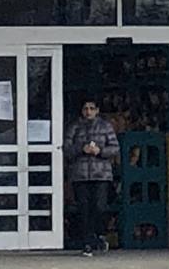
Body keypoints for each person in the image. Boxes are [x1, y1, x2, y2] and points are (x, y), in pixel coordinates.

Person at [64, 98, 119, 256]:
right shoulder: (74, 127)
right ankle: (87, 241)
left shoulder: (105, 126)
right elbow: (66, 149)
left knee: (100, 207)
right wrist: (82, 149)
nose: (88, 111)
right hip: (80, 174)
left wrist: (100, 151)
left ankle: (99, 235)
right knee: (84, 208)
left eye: (91, 108)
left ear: (97, 110)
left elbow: (115, 148)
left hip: (101, 174)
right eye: (85, 108)